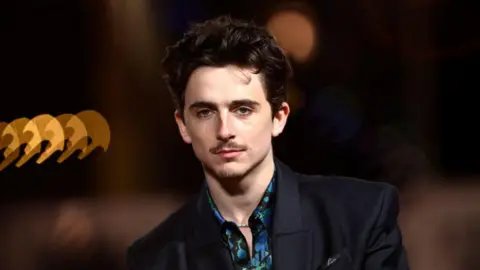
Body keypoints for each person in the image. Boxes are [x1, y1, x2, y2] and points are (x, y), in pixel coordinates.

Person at [126, 15, 409, 270]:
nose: (224, 130)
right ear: (183, 126)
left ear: (279, 117)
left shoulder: (361, 216)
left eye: (242, 110)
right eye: (205, 112)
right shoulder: (154, 258)